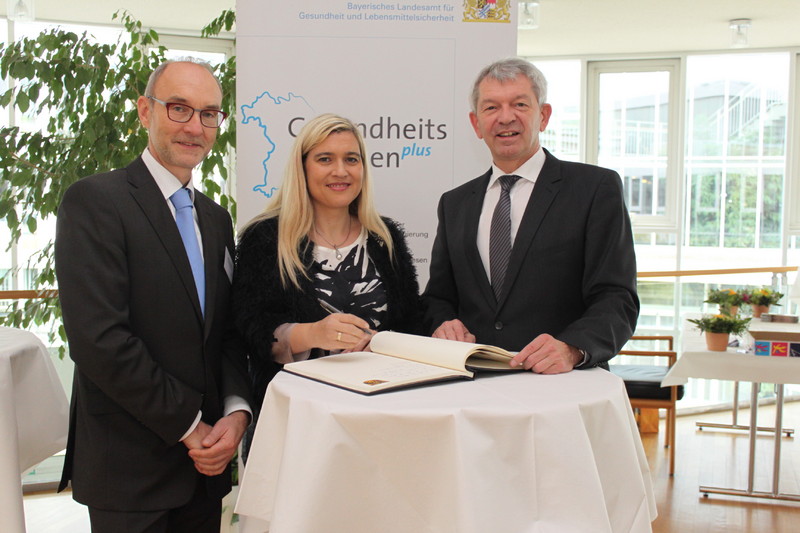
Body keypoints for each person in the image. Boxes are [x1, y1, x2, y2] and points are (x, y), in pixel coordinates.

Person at [54, 58, 252, 533]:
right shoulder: (95, 202)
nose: (196, 127)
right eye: (179, 108)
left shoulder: (216, 219)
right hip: (129, 470)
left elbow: (225, 332)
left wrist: (236, 412)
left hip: (204, 471)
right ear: (145, 111)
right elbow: (99, 340)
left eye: (209, 114)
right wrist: (190, 426)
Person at [422, 57, 639, 373]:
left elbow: (617, 297)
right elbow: (438, 297)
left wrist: (573, 347)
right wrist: (443, 324)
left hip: (561, 381)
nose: (505, 117)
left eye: (520, 104)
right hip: (472, 381)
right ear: (476, 123)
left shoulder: (594, 189)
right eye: (491, 107)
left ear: (543, 116)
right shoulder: (455, 204)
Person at [232, 113, 421, 411]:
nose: (340, 171)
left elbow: (413, 323)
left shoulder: (385, 237)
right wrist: (312, 333)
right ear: (302, 167)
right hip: (298, 415)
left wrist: (383, 343)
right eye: (324, 159)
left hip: (383, 408)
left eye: (351, 159)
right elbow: (250, 328)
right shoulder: (266, 238)